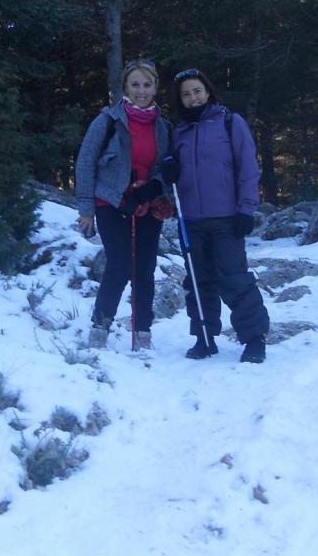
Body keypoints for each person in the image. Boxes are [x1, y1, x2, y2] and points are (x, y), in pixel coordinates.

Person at [165, 68, 270, 363]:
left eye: (197, 91)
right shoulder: (179, 131)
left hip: (226, 217)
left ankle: (254, 339)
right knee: (198, 281)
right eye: (186, 94)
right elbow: (170, 172)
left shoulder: (229, 122)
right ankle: (204, 337)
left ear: (208, 91)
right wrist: (169, 172)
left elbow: (248, 167)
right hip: (191, 220)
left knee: (235, 278)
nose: (193, 98)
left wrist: (246, 208)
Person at [74, 59, 174, 350]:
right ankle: (100, 325)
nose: (141, 91)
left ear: (155, 87)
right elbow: (86, 162)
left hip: (147, 204)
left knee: (145, 268)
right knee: (119, 264)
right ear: (126, 87)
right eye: (135, 85)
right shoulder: (107, 121)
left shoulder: (163, 126)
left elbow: (166, 166)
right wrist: (86, 210)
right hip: (110, 202)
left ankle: (143, 330)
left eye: (147, 84)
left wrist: (154, 187)